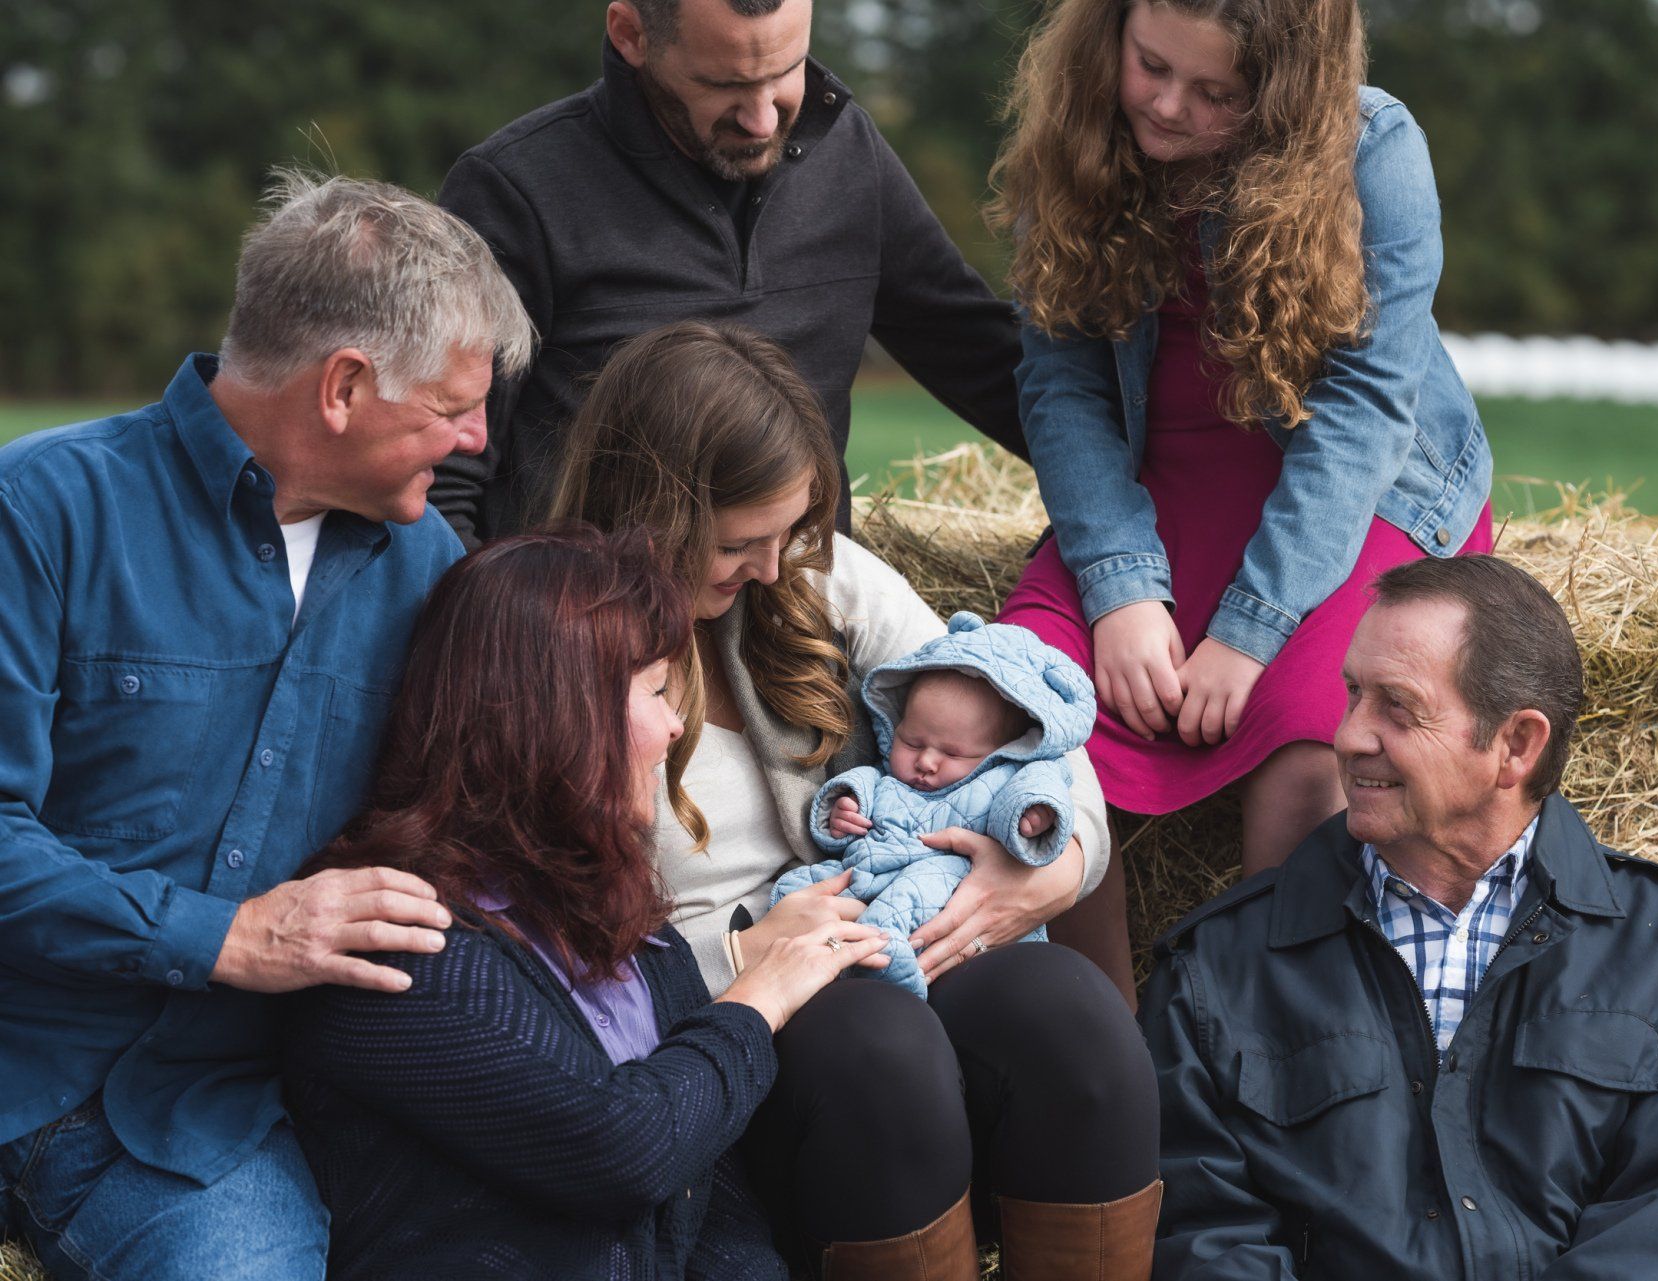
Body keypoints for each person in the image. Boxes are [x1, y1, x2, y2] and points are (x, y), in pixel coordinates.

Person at [547, 319, 1161, 1279]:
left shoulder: (814, 577)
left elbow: (1044, 725)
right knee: (882, 1052)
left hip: (892, 936)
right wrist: (752, 956)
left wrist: (1045, 871)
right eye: (740, 541)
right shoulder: (550, 646)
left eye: (791, 529)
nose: (771, 562)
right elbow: (537, 943)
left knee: (1073, 1018)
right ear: (655, 512)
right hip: (723, 1012)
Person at [0, 174, 533, 1280]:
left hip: (197, 1126)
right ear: (342, 387)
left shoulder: (433, 571)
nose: (480, 442)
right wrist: (228, 938)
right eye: (451, 408)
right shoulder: (39, 511)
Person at [988, 0, 1496, 1005]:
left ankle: (1271, 1079)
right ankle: (1108, 1077)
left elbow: (1366, 408)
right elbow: (1063, 386)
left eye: (1215, 92)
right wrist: (1119, 590)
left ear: (1283, 91)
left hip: (1352, 491)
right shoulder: (1087, 131)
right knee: (1023, 729)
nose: (1168, 107)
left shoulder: (1374, 147)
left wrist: (1252, 632)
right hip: (1148, 486)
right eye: (1151, 66)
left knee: (1314, 757)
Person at [1140, 554, 1658, 1280]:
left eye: (1398, 707)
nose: (1349, 736)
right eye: (1353, 694)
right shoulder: (1213, 968)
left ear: (1515, 745)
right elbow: (1202, 1233)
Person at [285, 525, 889, 1279]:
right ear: (559, 713)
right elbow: (621, 1150)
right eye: (657, 691)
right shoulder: (400, 942)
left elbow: (713, 1204)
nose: (675, 725)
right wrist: (754, 1000)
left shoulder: (630, 922)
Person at [430, 0, 1029, 546]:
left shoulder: (850, 156)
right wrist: (491, 631)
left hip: (802, 623)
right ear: (631, 35)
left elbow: (983, 358)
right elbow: (444, 467)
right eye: (725, 84)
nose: (764, 120)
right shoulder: (515, 191)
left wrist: (1114, 509)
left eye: (788, 70)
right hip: (592, 623)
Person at [771, 610, 1097, 997]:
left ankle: (887, 965)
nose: (925, 761)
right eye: (911, 742)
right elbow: (863, 784)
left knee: (911, 892)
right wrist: (842, 810)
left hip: (955, 878)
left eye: (952, 753)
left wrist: (1034, 815)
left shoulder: (1007, 776)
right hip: (873, 871)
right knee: (799, 886)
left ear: (1000, 752)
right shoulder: (888, 780)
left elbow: (1040, 791)